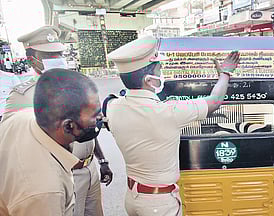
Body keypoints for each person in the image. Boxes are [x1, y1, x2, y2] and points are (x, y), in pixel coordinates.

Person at [104, 35, 240, 216]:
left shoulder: (113, 107)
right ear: (149, 80)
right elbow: (214, 102)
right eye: (159, 69)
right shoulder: (169, 112)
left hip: (132, 198)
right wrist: (225, 73)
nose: (162, 74)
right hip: (158, 204)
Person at [1, 26, 113, 216]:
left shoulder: (76, 86)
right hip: (64, 173)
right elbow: (14, 139)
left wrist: (101, 160)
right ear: (32, 59)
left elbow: (87, 128)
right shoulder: (23, 95)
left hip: (89, 168)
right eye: (49, 55)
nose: (57, 60)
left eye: (59, 54)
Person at [0, 69, 102, 215]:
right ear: (68, 126)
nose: (101, 118)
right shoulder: (46, 192)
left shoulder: (23, 117)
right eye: (94, 115)